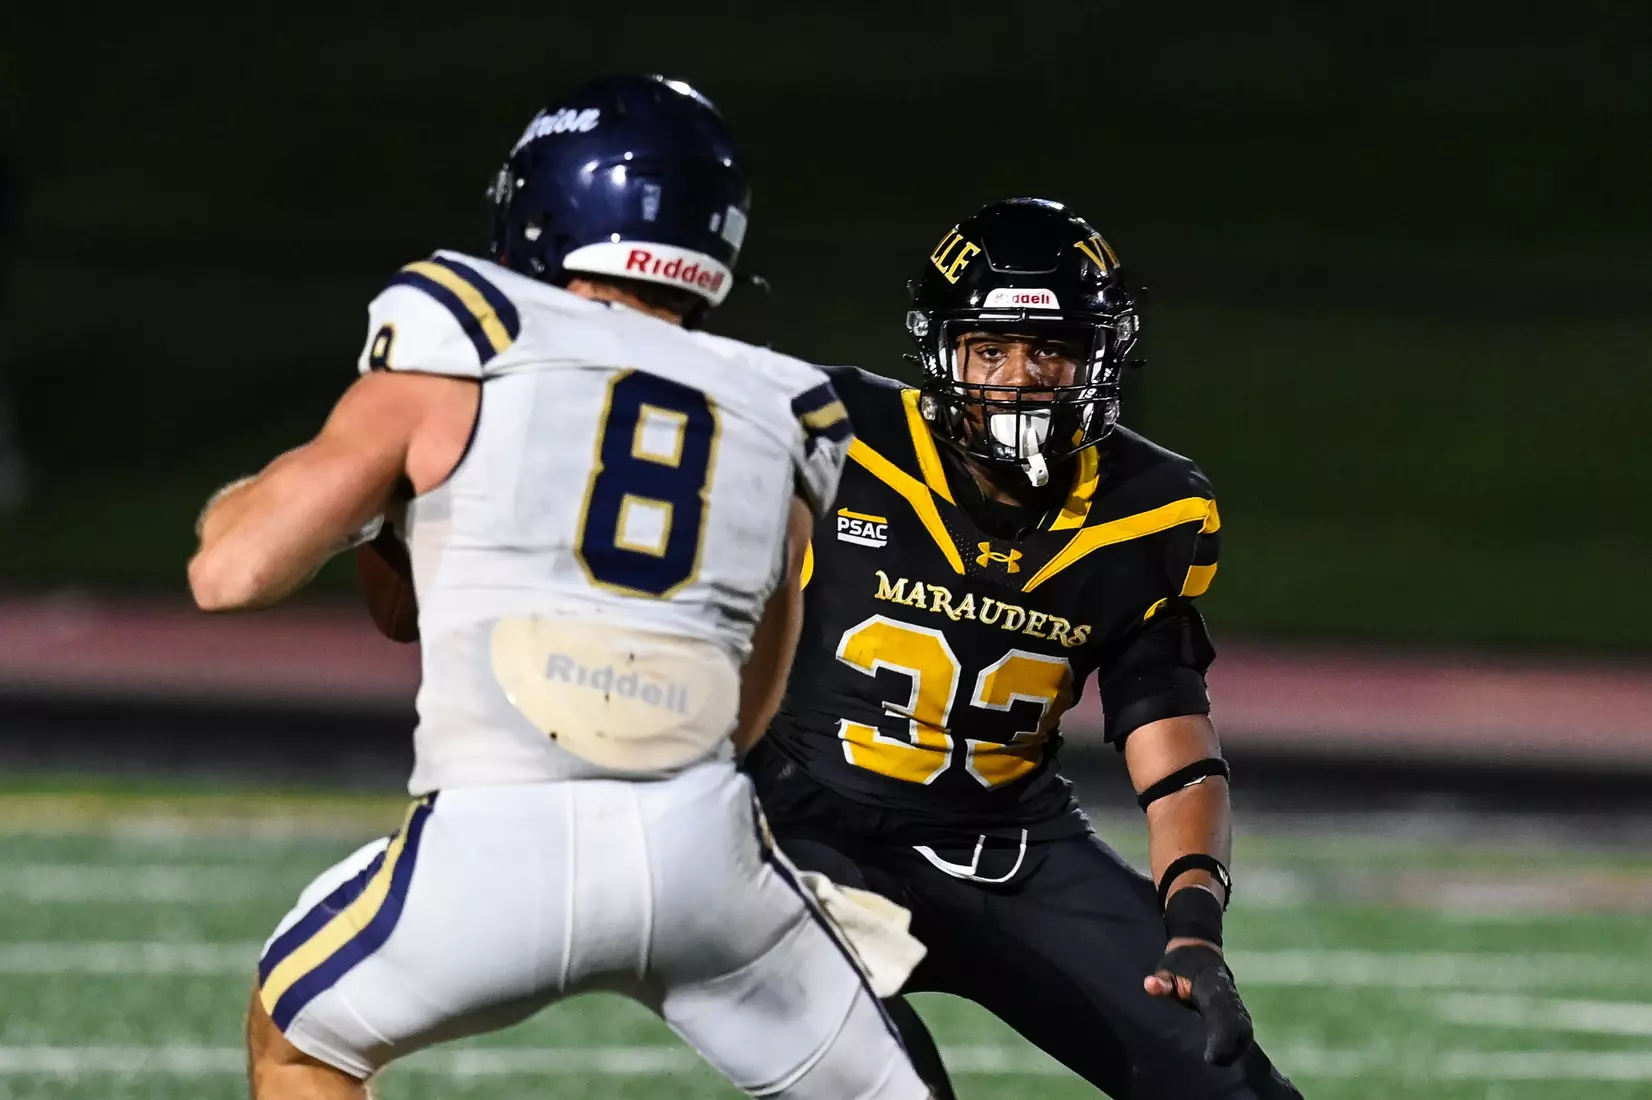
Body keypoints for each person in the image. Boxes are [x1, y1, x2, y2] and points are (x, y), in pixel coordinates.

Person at [188, 74, 930, 1100]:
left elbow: (232, 574)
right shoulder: (778, 407)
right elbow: (751, 699)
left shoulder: (463, 341)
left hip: (497, 840)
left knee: (299, 1036)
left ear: (542, 203)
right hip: (701, 851)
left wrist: (348, 491)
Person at [743, 197, 1304, 1098]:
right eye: (990, 349)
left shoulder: (1149, 508)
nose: (1020, 378)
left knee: (1227, 1083)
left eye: (1050, 350)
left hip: (1015, 847)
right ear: (941, 352)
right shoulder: (839, 433)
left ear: (1099, 357)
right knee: (890, 1085)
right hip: (811, 832)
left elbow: (1174, 747)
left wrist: (1195, 926)